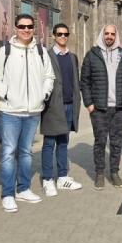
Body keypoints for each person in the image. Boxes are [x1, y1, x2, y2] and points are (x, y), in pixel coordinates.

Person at [0, 14, 55, 213]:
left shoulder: (40, 51)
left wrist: (43, 95)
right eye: (22, 26)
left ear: (33, 28)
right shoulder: (5, 51)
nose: (26, 30)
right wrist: (7, 94)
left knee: (26, 152)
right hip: (10, 111)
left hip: (33, 111)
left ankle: (23, 189)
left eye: (29, 26)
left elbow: (49, 76)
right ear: (15, 28)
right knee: (8, 153)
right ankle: (8, 194)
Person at [80, 25, 122, 190]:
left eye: (112, 34)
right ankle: (99, 173)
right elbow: (85, 81)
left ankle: (114, 173)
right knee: (100, 141)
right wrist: (89, 104)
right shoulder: (92, 55)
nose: (109, 36)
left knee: (116, 142)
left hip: (120, 108)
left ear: (116, 36)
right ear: (102, 35)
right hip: (99, 108)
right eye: (107, 33)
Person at [40, 23, 82, 196]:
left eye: (65, 34)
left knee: (64, 142)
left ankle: (62, 177)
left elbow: (75, 80)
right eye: (59, 34)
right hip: (52, 106)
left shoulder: (72, 57)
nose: (63, 37)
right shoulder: (47, 56)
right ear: (53, 36)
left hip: (69, 104)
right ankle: (47, 179)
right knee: (49, 143)